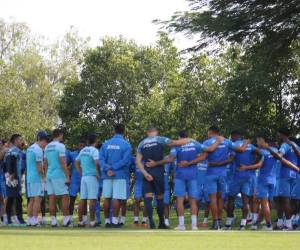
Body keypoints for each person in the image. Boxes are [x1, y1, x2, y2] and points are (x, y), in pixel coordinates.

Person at [157, 130, 224, 230]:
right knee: (193, 200)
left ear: (179, 138)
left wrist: (157, 163)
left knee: (179, 200)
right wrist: (218, 141)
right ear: (188, 136)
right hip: (193, 175)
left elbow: (170, 159)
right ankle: (194, 225)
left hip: (180, 175)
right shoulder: (195, 144)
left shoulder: (177, 146)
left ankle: (181, 225)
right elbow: (207, 152)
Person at [136, 126, 194, 229]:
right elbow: (174, 143)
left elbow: (138, 161)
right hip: (158, 171)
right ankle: (161, 223)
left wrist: (145, 173)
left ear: (147, 133)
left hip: (147, 170)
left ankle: (151, 222)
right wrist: (188, 140)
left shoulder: (141, 143)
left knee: (148, 198)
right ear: (156, 132)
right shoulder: (160, 139)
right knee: (160, 198)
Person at [265, 127, 299, 230]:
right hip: (294, 175)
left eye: (278, 134)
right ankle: (281, 223)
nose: (277, 136)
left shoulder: (285, 144)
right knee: (284, 200)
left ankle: (288, 225)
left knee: (284, 200)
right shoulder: (295, 145)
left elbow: (279, 156)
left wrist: (268, 148)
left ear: (281, 134)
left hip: (284, 174)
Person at [99, 124, 132, 228]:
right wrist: (113, 168)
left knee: (107, 198)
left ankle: (107, 221)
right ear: (124, 131)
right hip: (120, 175)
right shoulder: (126, 145)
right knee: (117, 198)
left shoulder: (105, 144)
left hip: (107, 175)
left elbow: (101, 160)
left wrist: (108, 168)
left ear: (114, 131)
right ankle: (114, 221)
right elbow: (125, 161)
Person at [44, 129, 71, 227]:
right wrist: (67, 176)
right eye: (62, 135)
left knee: (52, 197)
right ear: (60, 135)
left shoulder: (47, 146)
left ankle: (53, 221)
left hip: (49, 175)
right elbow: (63, 162)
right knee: (64, 196)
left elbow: (45, 163)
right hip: (59, 174)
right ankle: (66, 220)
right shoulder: (61, 146)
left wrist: (47, 175)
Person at [76, 134, 100, 227]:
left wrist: (80, 172)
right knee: (93, 199)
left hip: (84, 177)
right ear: (95, 141)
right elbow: (97, 163)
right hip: (92, 176)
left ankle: (80, 221)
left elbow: (76, 161)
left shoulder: (83, 150)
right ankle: (92, 221)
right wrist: (98, 173)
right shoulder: (94, 150)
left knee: (83, 199)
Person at [26, 131, 48, 226]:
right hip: (37, 178)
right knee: (37, 199)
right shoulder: (38, 150)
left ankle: (30, 220)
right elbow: (39, 167)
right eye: (45, 141)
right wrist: (44, 178)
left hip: (30, 177)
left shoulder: (29, 148)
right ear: (41, 140)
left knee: (31, 200)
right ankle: (35, 220)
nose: (46, 144)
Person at [5, 134, 25, 225]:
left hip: (8, 177)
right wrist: (14, 175)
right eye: (20, 140)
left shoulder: (8, 151)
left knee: (10, 198)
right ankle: (20, 219)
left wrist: (7, 175)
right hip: (14, 177)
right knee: (18, 198)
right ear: (16, 141)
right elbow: (17, 165)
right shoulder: (17, 151)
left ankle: (8, 219)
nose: (22, 142)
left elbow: (5, 165)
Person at [67, 138, 86, 225]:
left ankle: (84, 220)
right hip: (74, 180)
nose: (81, 147)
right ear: (77, 146)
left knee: (84, 200)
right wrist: (68, 176)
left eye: (83, 146)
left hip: (84, 180)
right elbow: (65, 164)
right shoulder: (72, 154)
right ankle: (70, 220)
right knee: (72, 200)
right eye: (80, 145)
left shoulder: (88, 154)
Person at [132, 156, 148, 227]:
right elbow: (131, 169)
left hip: (147, 183)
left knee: (147, 201)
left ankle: (144, 221)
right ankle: (135, 221)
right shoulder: (134, 159)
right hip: (138, 182)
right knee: (137, 200)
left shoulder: (148, 159)